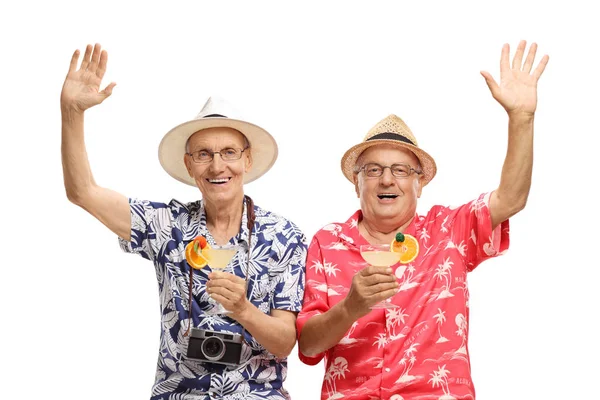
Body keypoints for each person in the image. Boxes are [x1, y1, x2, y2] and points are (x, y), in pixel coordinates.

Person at [296, 40, 549, 399]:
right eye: (373, 170)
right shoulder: (327, 241)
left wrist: (521, 120)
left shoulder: (448, 230)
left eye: (400, 170)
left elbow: (510, 199)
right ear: (356, 183)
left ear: (419, 184)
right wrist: (351, 307)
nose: (386, 180)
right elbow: (308, 345)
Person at [60, 43, 307, 400]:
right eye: (204, 155)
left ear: (247, 161)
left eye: (229, 153)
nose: (217, 166)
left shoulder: (283, 235)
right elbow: (82, 191)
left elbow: (285, 342)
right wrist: (72, 113)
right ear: (190, 166)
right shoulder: (167, 224)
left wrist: (243, 309)